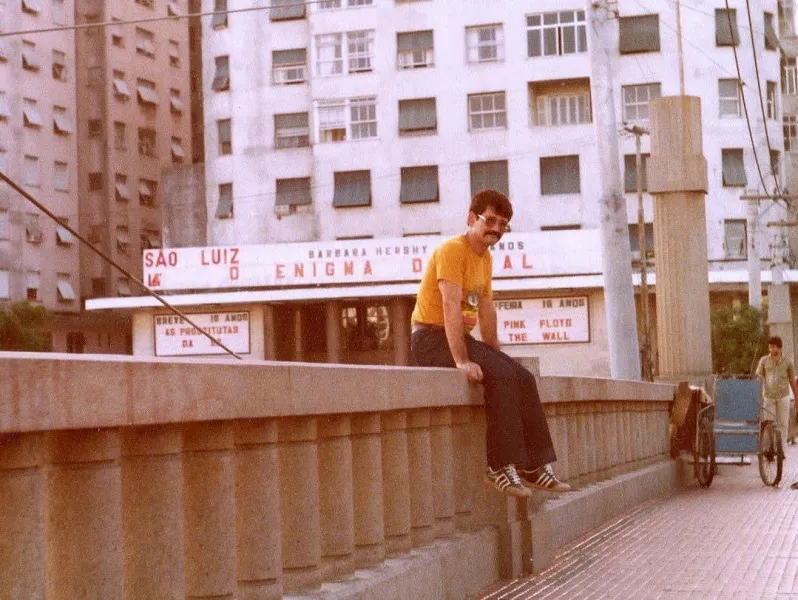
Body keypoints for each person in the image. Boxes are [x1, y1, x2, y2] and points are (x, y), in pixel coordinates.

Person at [410, 189, 571, 498]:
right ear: (472, 218)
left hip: (454, 336)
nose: (496, 230)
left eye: (503, 224)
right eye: (491, 221)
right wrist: (461, 361)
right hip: (430, 339)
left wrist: (498, 355)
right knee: (500, 374)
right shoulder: (451, 251)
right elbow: (450, 306)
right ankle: (498, 466)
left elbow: (486, 309)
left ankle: (533, 466)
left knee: (521, 376)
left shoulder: (484, 258)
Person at [754, 336, 798, 489]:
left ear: (780, 348)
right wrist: (756, 396)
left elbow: (792, 382)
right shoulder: (764, 361)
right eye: (770, 347)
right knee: (770, 425)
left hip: (784, 397)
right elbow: (758, 378)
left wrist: (797, 400)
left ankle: (781, 452)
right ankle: (771, 447)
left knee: (783, 425)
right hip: (769, 397)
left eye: (774, 347)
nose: (772, 350)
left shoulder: (788, 363)